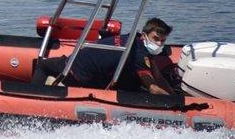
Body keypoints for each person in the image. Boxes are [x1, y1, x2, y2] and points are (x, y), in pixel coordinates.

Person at [32, 17, 181, 94]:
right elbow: (153, 88)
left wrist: (174, 95)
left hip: (81, 68)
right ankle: (33, 99)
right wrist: (174, 101)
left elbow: (157, 76)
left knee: (43, 65)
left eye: (163, 40)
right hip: (77, 70)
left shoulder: (133, 38)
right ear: (144, 35)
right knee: (44, 66)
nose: (159, 43)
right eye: (156, 38)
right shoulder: (140, 53)